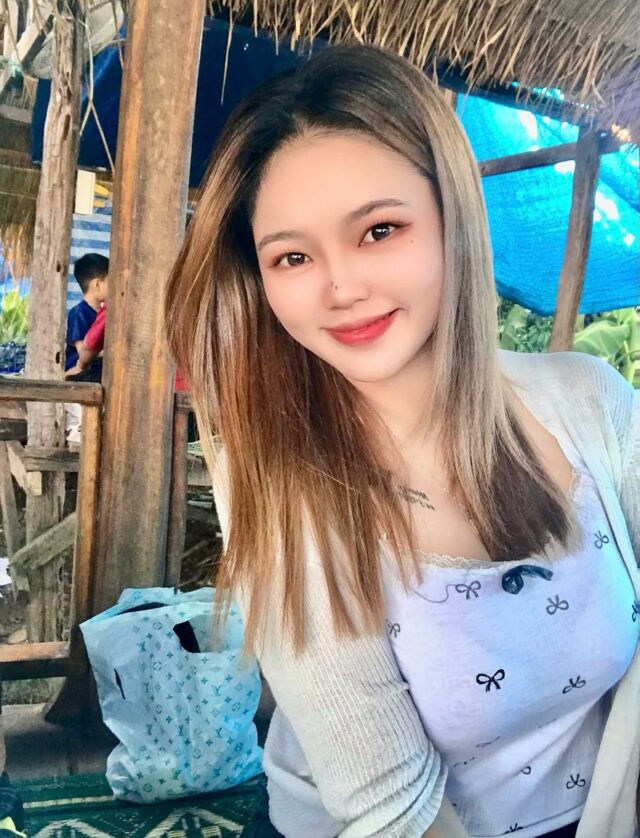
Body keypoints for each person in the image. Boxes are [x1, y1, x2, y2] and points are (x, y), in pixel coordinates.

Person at [164, 45, 639, 838]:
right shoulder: (280, 480)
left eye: (379, 230)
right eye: (293, 256)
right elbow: (389, 808)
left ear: (453, 219)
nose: (342, 288)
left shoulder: (589, 403)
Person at [64, 253, 109, 382]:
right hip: (80, 372)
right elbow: (83, 351)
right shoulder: (78, 313)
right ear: (97, 284)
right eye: (111, 282)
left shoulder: (104, 313)